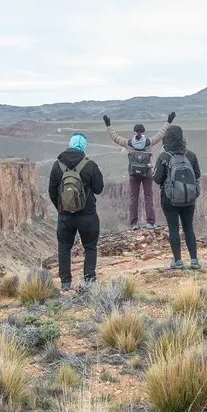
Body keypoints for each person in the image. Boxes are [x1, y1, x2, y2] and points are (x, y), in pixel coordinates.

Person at [49, 132, 105, 290]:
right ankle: (89, 281)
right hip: (87, 215)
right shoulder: (90, 165)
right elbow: (99, 189)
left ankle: (65, 284)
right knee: (90, 247)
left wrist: (61, 209)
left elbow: (52, 192)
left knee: (64, 248)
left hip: (65, 216)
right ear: (84, 146)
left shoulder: (57, 165)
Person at [103, 112, 176, 229]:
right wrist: (169, 121)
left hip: (133, 174)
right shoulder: (149, 142)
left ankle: (133, 224)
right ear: (143, 132)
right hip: (147, 172)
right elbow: (162, 133)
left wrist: (108, 125)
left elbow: (114, 137)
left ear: (134, 132)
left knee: (133, 197)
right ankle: (150, 223)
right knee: (148, 196)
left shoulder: (128, 143)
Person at [153, 125, 202, 270]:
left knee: (173, 228)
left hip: (169, 198)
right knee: (188, 228)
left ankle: (178, 261)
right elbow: (197, 175)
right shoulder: (191, 155)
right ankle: (194, 260)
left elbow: (156, 178)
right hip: (189, 197)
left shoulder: (164, 157)